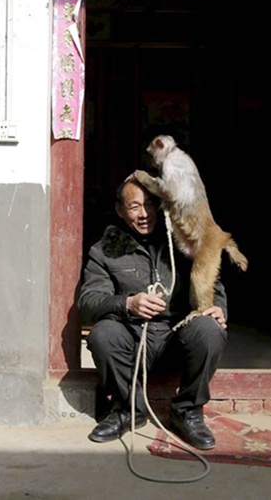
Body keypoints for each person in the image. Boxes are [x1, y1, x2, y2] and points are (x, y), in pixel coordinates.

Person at [77, 176, 228, 450]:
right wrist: (128, 303)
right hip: (134, 340)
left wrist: (218, 307)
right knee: (102, 334)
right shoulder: (103, 251)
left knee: (209, 330)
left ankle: (188, 412)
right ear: (120, 210)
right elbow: (88, 302)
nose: (144, 214)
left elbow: (211, 281)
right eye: (134, 207)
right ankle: (127, 410)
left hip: (177, 337)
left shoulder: (183, 243)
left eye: (149, 205)